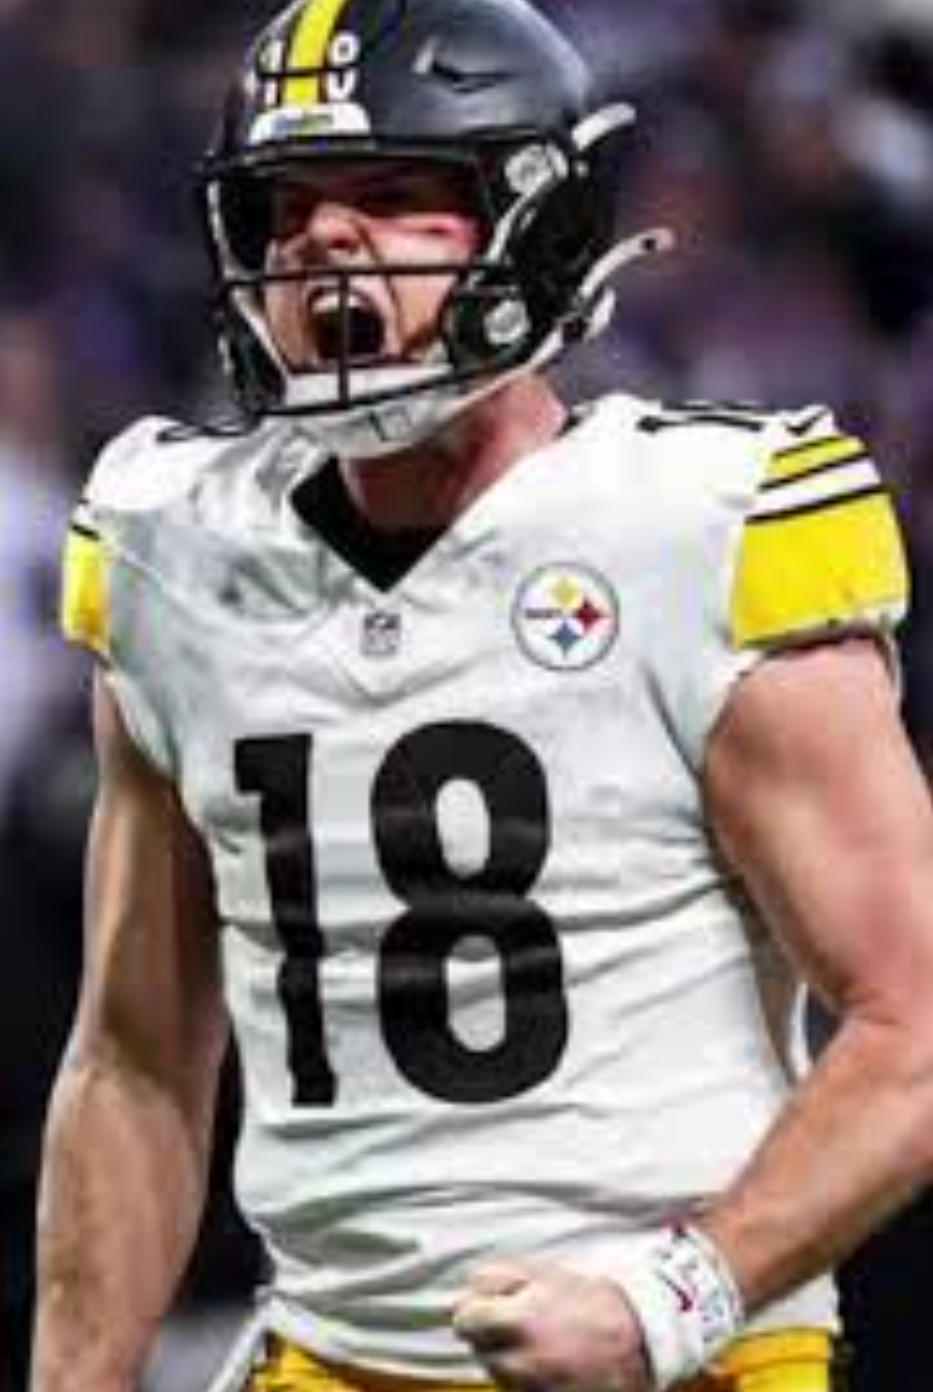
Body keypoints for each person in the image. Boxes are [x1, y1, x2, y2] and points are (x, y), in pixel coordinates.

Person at [32, 1, 933, 1390]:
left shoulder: (693, 526)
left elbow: (912, 1027)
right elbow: (137, 1060)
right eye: (286, 208)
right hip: (327, 1356)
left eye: (394, 194)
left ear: (540, 224)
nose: (324, 243)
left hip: (693, 1361)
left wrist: (668, 1300)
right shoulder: (176, 543)